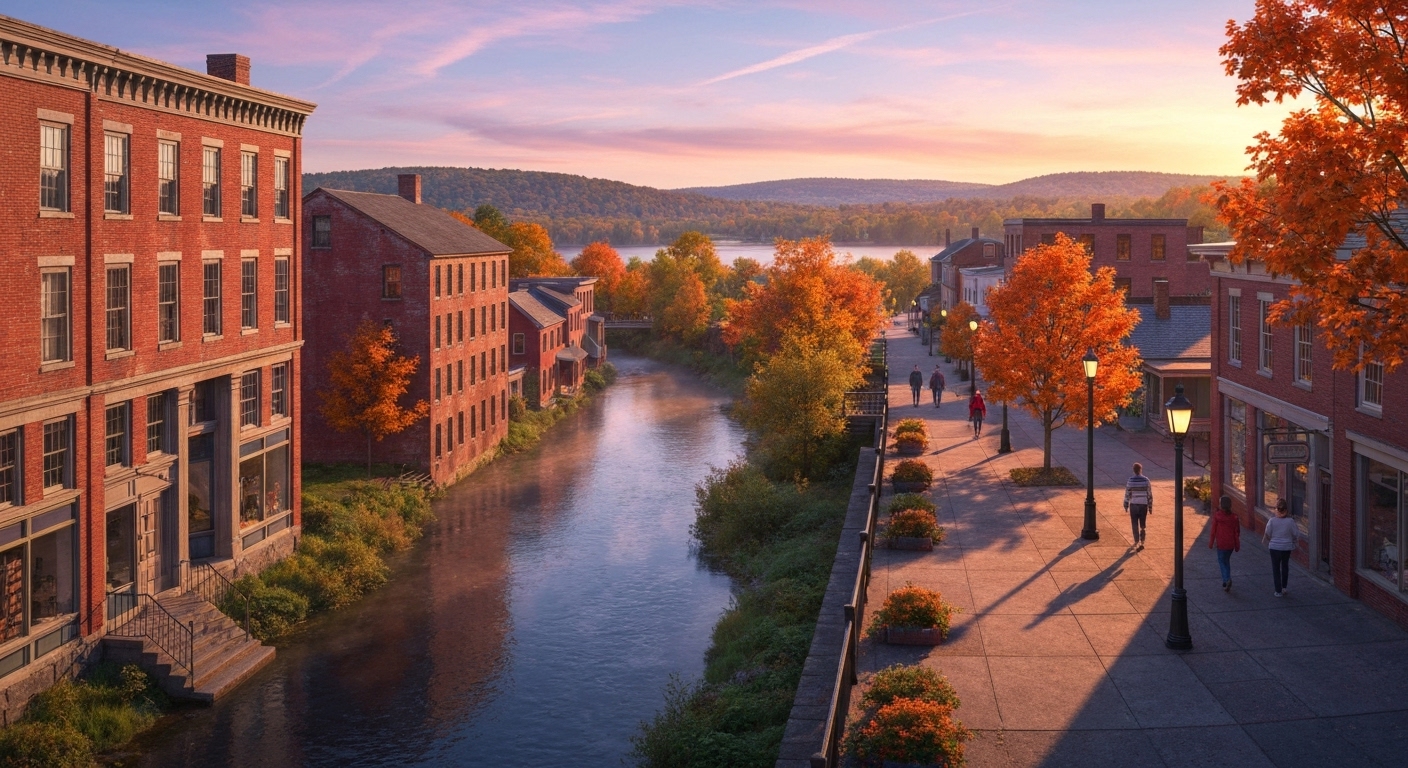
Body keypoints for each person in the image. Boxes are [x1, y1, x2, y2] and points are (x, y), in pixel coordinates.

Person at [1263, 498, 1299, 596]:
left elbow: (1267, 533)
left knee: (1276, 568)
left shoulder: (1272, 521)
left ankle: (1278, 591)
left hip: (1274, 547)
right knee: (1285, 566)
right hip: (1286, 547)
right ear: (1286, 510)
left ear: (1276, 509)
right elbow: (1296, 534)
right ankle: (1284, 587)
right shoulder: (1290, 521)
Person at [1208, 495, 1241, 591]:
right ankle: (1226, 580)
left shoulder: (1217, 516)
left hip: (1221, 543)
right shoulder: (1234, 517)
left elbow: (1213, 531)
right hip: (1230, 544)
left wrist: (1211, 543)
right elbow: (1237, 532)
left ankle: (1226, 579)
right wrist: (1237, 545)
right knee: (1226, 561)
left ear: (1221, 505)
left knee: (1222, 562)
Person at [1123, 462, 1152, 551]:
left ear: (1133, 470)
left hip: (1134, 504)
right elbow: (1149, 494)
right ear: (1140, 470)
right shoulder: (1146, 480)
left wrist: (1126, 504)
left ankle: (1136, 541)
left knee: (1134, 523)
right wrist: (1150, 506)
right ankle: (1142, 541)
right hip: (1143, 504)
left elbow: (1127, 494)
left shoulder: (1130, 480)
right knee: (1143, 524)